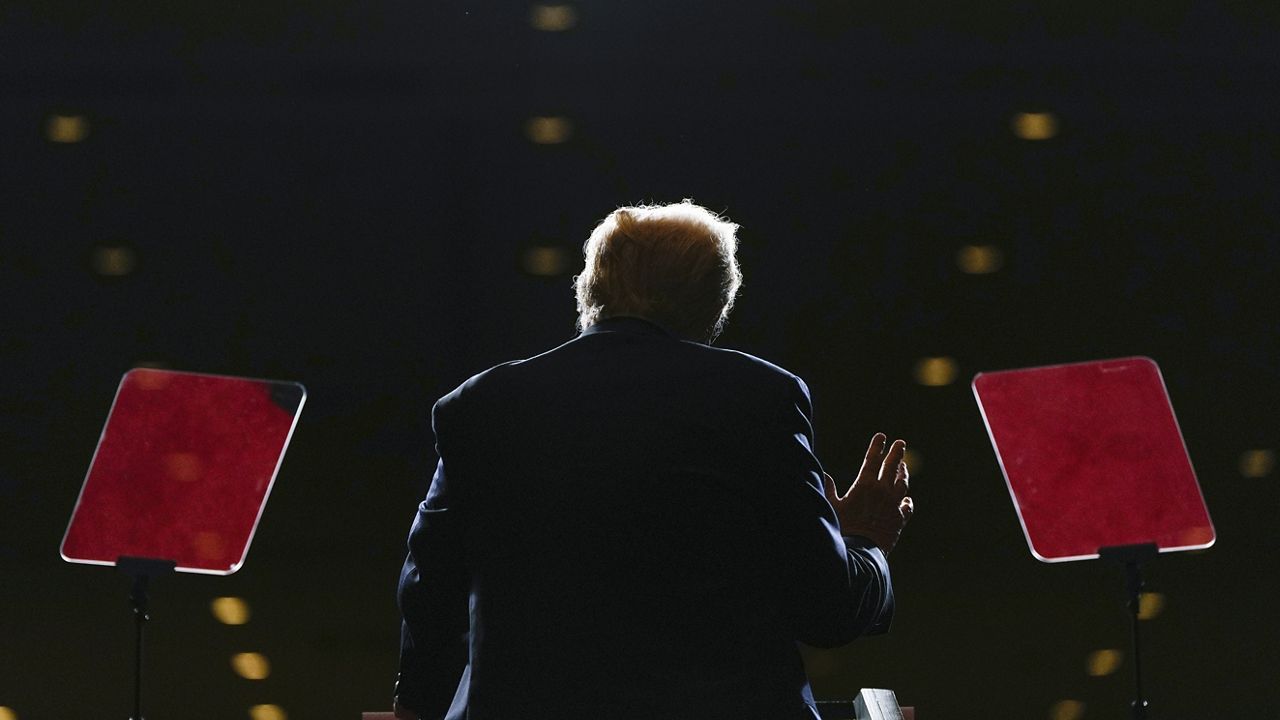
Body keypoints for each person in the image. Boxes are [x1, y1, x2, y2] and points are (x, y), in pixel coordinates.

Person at [394, 200, 913, 720]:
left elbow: (428, 591)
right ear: (715, 303)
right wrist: (864, 541)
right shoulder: (761, 398)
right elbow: (825, 610)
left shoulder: (481, 404)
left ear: (590, 288)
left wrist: (419, 705)